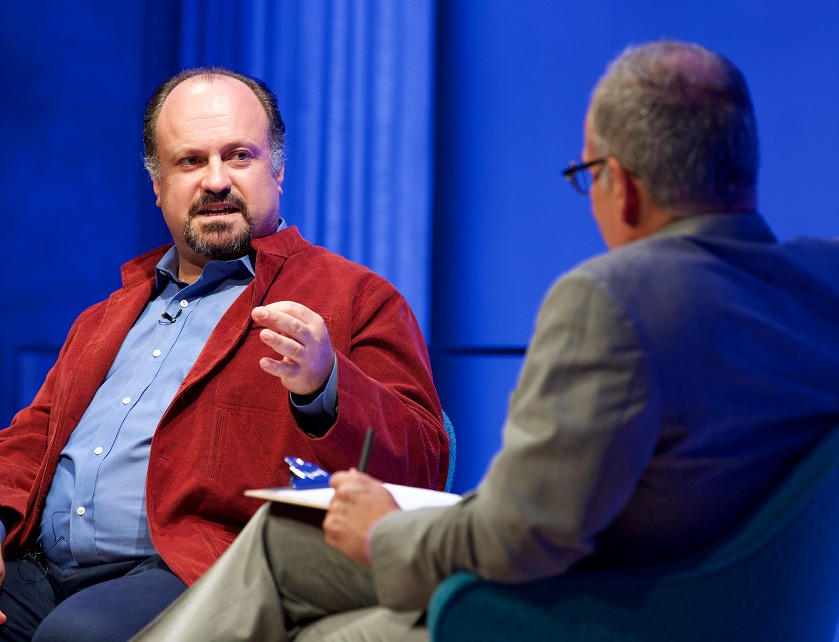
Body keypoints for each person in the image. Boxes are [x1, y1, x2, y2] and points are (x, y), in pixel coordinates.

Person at [129, 40, 839, 641]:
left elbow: (519, 536)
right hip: (732, 599)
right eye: (191, 162)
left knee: (304, 585)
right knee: (293, 559)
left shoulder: (609, 301)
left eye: (586, 175)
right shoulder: (823, 283)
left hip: (589, 610)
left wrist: (382, 531)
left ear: (618, 186)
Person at [0, 67, 449, 641]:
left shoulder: (350, 297)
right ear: (158, 186)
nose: (215, 180)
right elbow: (32, 438)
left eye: (239, 155)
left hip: (195, 568)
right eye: (190, 161)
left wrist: (326, 385)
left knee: (79, 635)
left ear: (277, 170)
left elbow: (422, 460)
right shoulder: (111, 313)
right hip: (41, 572)